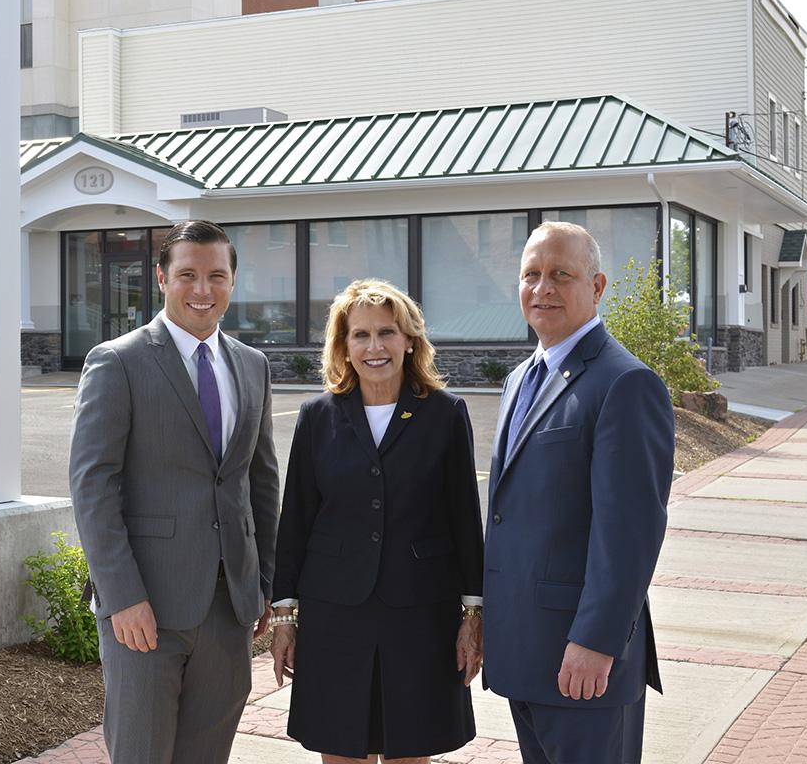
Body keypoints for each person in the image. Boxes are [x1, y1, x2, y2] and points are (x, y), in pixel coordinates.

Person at [69, 220, 280, 764]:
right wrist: (121, 597)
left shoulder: (253, 366)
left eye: (216, 275)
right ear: (162, 278)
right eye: (187, 274)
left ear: (233, 282)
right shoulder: (117, 361)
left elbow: (261, 482)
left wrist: (264, 584)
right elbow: (93, 486)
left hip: (229, 606)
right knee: (142, 753)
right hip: (146, 608)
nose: (202, 289)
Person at [482, 222, 674, 764]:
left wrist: (597, 641)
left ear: (597, 286)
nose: (542, 288)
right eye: (531, 275)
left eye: (560, 275)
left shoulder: (625, 383)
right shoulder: (522, 377)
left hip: (584, 663)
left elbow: (629, 533)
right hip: (527, 652)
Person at [271, 279, 485, 764]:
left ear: (410, 340)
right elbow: (297, 520)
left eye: (387, 332)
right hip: (334, 616)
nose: (375, 347)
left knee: (411, 749)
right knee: (341, 749)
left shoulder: (446, 414)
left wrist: (473, 616)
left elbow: (464, 520)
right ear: (343, 346)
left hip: (421, 615)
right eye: (360, 335)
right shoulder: (316, 416)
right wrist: (285, 619)